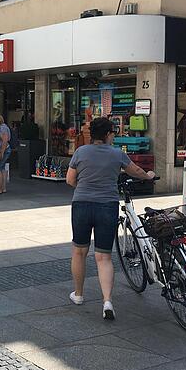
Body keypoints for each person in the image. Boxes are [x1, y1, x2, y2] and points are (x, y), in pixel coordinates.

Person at [66, 118, 155, 320]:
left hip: (82, 204)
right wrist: (149, 175)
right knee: (103, 256)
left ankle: (78, 295)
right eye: (112, 133)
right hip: (107, 206)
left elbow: (70, 179)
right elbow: (137, 172)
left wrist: (84, 188)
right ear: (107, 135)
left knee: (79, 251)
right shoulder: (117, 154)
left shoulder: (80, 152)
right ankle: (107, 301)